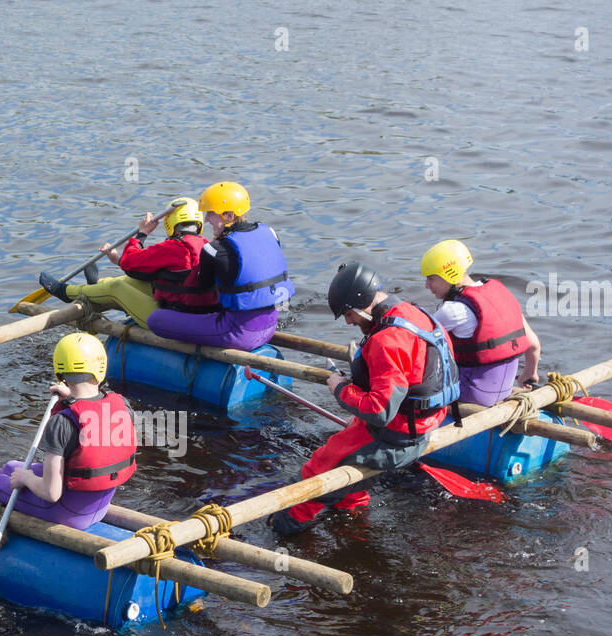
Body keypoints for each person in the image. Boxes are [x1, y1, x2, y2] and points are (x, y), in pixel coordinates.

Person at [268, 262, 460, 535]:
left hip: (399, 437)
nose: (348, 321)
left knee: (318, 466)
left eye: (348, 314)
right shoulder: (414, 312)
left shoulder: (387, 340)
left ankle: (285, 525)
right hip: (427, 424)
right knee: (346, 448)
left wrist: (340, 389)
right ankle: (353, 511)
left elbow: (379, 410)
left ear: (361, 306)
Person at [0, 333, 136, 530]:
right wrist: (71, 399)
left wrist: (26, 479)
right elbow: (94, 422)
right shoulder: (123, 406)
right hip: (98, 507)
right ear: (100, 367)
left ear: (60, 370)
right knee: (12, 466)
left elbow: (51, 493)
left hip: (66, 514)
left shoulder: (62, 423)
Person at [145, 181, 294, 351]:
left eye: (211, 213)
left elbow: (200, 289)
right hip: (270, 326)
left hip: (237, 333)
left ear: (229, 216)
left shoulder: (213, 250)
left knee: (156, 319)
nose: (206, 219)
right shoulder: (270, 232)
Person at [38, 199, 217, 328]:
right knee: (129, 281)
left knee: (117, 286)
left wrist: (142, 234)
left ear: (171, 223)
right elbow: (142, 272)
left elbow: (132, 262)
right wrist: (118, 260)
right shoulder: (205, 244)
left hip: (172, 317)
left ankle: (66, 292)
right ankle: (96, 286)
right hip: (191, 311)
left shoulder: (173, 247)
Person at [420, 239, 542, 406]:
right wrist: (529, 374)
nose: (427, 285)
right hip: (505, 389)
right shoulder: (502, 294)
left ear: (449, 275)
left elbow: (415, 342)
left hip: (473, 393)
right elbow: (534, 345)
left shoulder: (452, 310)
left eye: (431, 278)